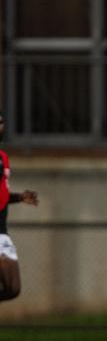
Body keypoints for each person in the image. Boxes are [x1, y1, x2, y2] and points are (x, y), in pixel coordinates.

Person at [0, 112, 39, 302]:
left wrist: (19, 197)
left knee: (13, 289)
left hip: (2, 233)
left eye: (0, 122)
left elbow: (2, 195)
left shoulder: (3, 157)